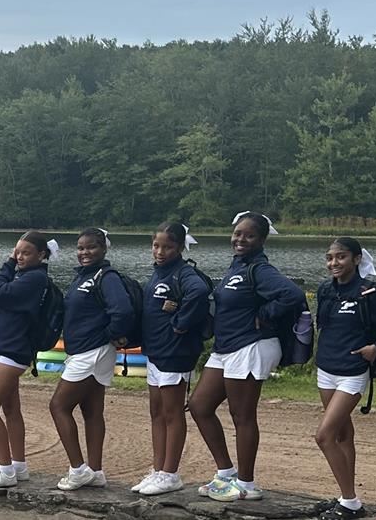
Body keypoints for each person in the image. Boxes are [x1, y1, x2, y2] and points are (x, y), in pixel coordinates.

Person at [188, 212, 305, 501]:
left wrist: (264, 315)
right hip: (226, 348)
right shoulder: (237, 266)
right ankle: (225, 472)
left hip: (251, 346)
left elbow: (292, 294)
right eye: (238, 233)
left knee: (242, 415)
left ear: (261, 240)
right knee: (199, 406)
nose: (241, 239)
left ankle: (247, 483)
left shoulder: (260, 269)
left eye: (249, 235)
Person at [312, 238, 376, 520]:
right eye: (330, 258)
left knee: (324, 436)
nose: (334, 263)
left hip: (352, 372)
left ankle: (352, 503)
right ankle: (346, 497)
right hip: (326, 369)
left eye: (341, 257)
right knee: (343, 434)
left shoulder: (371, 293)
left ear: (356, 259)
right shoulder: (325, 290)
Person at [48, 228, 136, 491]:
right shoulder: (83, 277)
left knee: (58, 406)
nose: (85, 253)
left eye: (91, 247)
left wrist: (108, 335)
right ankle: (95, 472)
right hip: (87, 351)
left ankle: (78, 469)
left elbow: (123, 310)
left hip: (92, 352)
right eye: (81, 248)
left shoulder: (106, 277)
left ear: (104, 249)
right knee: (91, 411)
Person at [0, 231, 59, 489]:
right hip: (5, 348)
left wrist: (8, 263)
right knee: (11, 409)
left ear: (42, 255)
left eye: (26, 252)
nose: (20, 256)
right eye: (17, 251)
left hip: (14, 351)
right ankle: (19, 465)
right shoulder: (26, 275)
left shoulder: (34, 278)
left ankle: (6, 471)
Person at [133, 222, 210, 497]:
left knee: (172, 413)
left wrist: (180, 323)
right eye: (156, 246)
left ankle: (170, 473)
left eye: (167, 246)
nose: (160, 251)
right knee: (156, 412)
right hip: (155, 353)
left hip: (175, 354)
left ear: (179, 247)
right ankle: (158, 470)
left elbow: (199, 293)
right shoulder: (159, 273)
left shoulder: (183, 273)